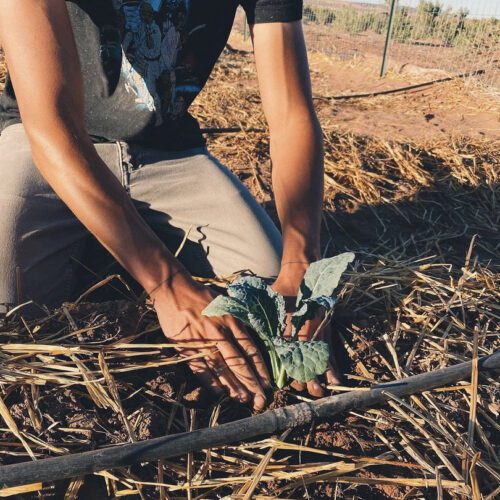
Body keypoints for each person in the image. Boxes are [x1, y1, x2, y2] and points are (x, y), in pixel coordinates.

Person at [0, 0, 339, 412]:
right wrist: (167, 284)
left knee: (268, 298)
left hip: (169, 155)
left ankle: (106, 244)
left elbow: (290, 115)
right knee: (14, 322)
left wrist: (301, 263)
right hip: (50, 147)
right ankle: (112, 247)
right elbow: (52, 126)